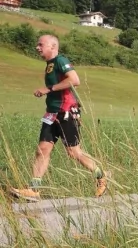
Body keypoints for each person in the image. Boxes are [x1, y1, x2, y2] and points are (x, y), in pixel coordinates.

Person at [10, 34, 108, 202]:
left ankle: (102, 176)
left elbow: (74, 80)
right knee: (42, 150)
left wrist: (48, 89)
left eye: (41, 44)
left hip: (66, 112)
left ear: (53, 46)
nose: (37, 47)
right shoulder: (50, 64)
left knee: (74, 152)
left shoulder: (61, 60)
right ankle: (34, 190)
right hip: (52, 113)